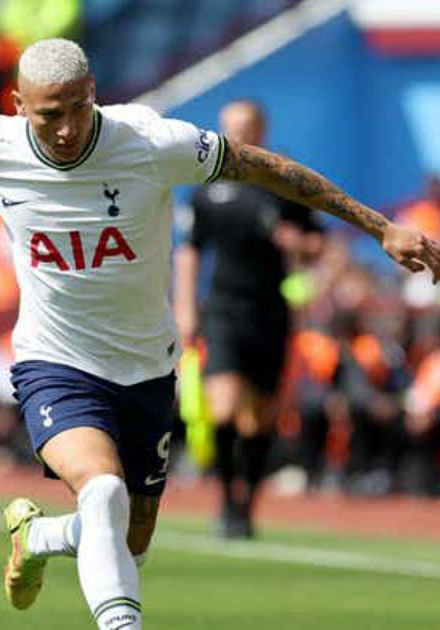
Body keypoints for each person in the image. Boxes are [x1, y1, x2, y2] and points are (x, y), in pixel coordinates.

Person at [0, 38, 440, 630]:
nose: (63, 129)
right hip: (56, 366)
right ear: (18, 108)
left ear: (93, 91)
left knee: (129, 538)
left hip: (148, 371)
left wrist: (381, 228)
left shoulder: (154, 141)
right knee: (100, 494)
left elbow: (267, 169)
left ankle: (38, 536)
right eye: (46, 117)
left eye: (74, 109)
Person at [172, 100, 323, 538]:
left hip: (271, 309)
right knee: (223, 405)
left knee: (258, 419)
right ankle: (224, 499)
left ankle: (247, 505)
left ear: (262, 129)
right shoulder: (208, 186)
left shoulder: (284, 183)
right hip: (223, 306)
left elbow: (318, 243)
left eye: (247, 128)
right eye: (232, 129)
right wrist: (185, 307)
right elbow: (190, 250)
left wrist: (298, 243)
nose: (239, 137)